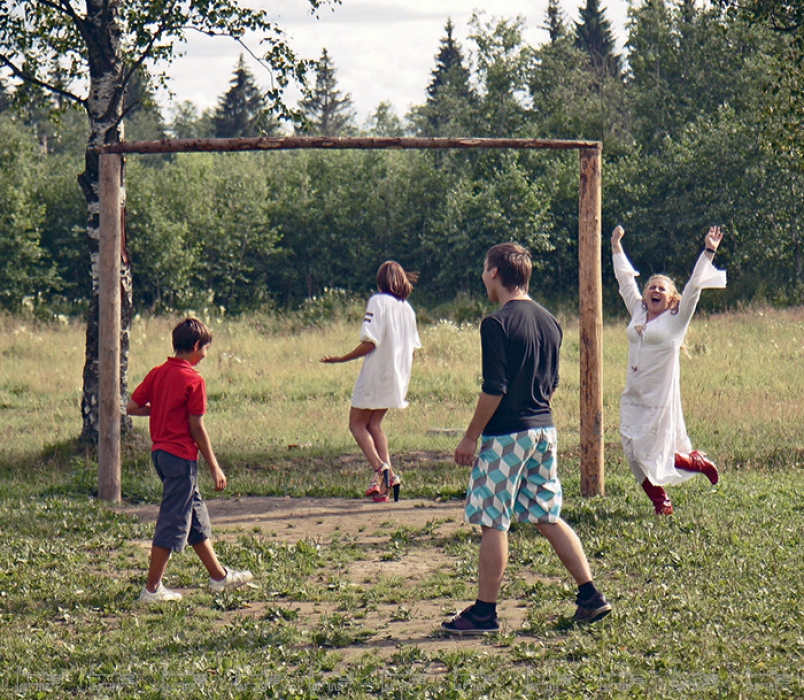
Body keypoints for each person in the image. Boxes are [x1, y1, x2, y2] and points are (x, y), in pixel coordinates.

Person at [442, 243, 611, 635]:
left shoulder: (496, 323)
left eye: (485, 269)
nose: (484, 275)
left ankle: (484, 613)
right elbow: (551, 382)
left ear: (496, 272)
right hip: (543, 430)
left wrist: (470, 438)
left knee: (493, 520)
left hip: (506, 435)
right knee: (547, 514)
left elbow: (494, 389)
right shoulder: (551, 322)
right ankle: (590, 595)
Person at [127, 317, 254, 603]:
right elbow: (197, 427)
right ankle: (151, 590)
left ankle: (219, 577)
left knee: (195, 518)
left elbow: (132, 407)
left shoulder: (158, 373)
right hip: (181, 458)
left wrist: (160, 410)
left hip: (160, 455)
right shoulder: (194, 380)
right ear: (197, 346)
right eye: (206, 348)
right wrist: (214, 466)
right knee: (172, 522)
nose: (206, 355)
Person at [611, 225, 726, 515]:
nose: (655, 290)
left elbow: (693, 289)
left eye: (661, 288)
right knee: (632, 452)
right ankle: (661, 500)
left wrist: (708, 251)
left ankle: (692, 466)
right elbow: (625, 281)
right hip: (633, 395)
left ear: (670, 297)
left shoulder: (676, 320)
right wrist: (615, 246)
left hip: (658, 398)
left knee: (651, 451)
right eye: (651, 286)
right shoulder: (638, 310)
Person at [320, 261, 421, 502]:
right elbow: (413, 346)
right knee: (374, 424)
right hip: (398, 375)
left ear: (380, 281)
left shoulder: (377, 302)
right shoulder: (407, 308)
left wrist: (341, 359)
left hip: (376, 373)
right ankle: (387, 484)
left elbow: (370, 341)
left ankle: (380, 468)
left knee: (356, 424)